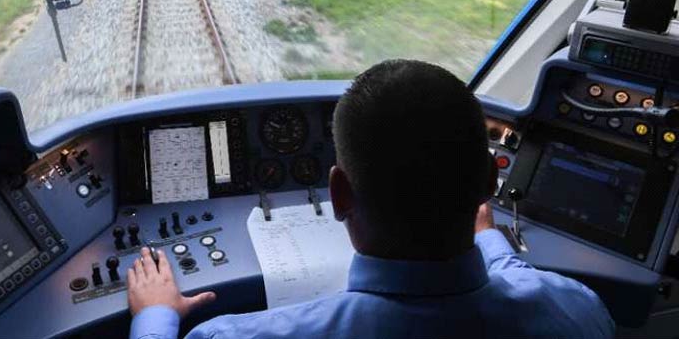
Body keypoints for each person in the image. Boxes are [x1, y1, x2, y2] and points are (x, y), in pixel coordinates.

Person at [127, 59, 615, 339]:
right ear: (489, 180)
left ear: (339, 195)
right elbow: (522, 283)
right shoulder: (578, 310)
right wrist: (489, 241)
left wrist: (156, 313)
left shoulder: (227, 338)